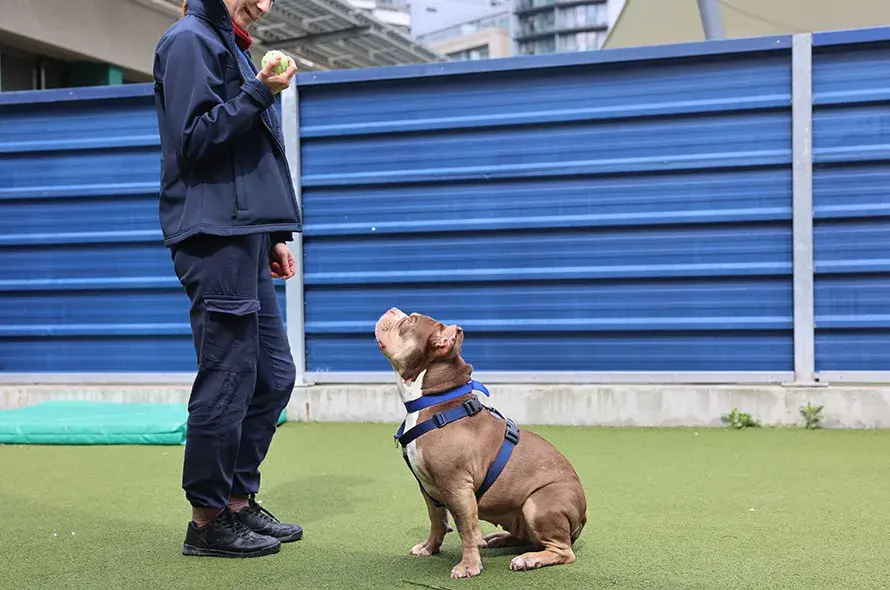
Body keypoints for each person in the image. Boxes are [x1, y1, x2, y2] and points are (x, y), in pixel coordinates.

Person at [152, 0, 304, 558]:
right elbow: (193, 141)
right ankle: (207, 519)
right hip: (212, 237)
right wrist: (260, 93)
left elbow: (239, 156)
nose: (263, 5)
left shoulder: (229, 46)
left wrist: (270, 238)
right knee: (229, 375)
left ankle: (237, 501)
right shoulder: (189, 40)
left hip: (243, 234)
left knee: (272, 376)